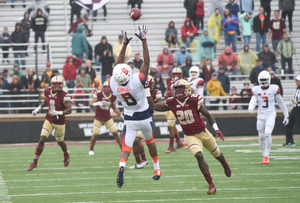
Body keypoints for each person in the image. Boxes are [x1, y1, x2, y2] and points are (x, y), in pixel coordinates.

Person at [150, 79, 231, 194]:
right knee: (198, 155)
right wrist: (147, 92)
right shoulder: (172, 102)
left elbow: (208, 114)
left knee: (218, 155)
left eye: (180, 88)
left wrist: (216, 129)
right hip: (190, 135)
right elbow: (153, 106)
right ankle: (211, 185)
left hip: (203, 132)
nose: (177, 91)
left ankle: (224, 164)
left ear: (187, 89)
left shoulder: (194, 99)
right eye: (176, 89)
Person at [110, 25, 161, 188]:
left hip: (129, 119)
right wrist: (144, 40)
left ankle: (122, 166)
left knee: (126, 146)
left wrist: (124, 44)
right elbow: (147, 61)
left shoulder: (113, 84)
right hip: (145, 117)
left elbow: (118, 67)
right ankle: (156, 169)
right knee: (150, 141)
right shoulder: (137, 80)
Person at [27, 76, 71, 171]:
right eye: (54, 84)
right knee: (42, 139)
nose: (56, 86)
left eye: (58, 84)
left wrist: (59, 112)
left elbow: (69, 109)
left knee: (60, 142)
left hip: (59, 122)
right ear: (51, 84)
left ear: (61, 84)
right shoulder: (47, 91)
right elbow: (46, 101)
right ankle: (34, 162)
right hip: (49, 119)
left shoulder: (64, 95)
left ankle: (66, 153)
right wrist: (38, 109)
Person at [248, 71, 288, 164]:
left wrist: (286, 114)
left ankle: (267, 156)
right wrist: (250, 107)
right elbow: (253, 99)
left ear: (269, 80)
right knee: (261, 136)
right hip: (260, 115)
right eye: (262, 80)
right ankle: (263, 156)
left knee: (267, 133)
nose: (263, 82)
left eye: (265, 80)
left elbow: (280, 102)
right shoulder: (256, 89)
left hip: (270, 114)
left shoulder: (274, 88)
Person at [129, 76, 161, 169]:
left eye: (151, 83)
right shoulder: (138, 92)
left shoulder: (156, 92)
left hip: (147, 119)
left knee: (139, 140)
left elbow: (158, 104)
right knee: (134, 141)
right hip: (137, 118)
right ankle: (139, 162)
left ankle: (146, 160)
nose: (150, 85)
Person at [89, 81, 123, 154]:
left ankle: (122, 148)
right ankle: (91, 149)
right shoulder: (98, 94)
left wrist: (121, 115)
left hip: (107, 117)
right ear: (103, 87)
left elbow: (114, 108)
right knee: (95, 134)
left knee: (115, 132)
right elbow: (90, 104)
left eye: (109, 87)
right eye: (106, 87)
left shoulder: (113, 96)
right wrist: (96, 103)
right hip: (98, 117)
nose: (107, 88)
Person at [163, 67, 185, 153]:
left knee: (169, 125)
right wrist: (166, 94)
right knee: (171, 125)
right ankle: (179, 142)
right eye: (174, 74)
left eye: (177, 74)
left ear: (180, 75)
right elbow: (167, 90)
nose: (176, 76)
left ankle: (171, 145)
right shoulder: (168, 80)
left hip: (177, 104)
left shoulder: (184, 81)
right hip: (169, 103)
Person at [284, 75, 300, 146]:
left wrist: (298, 103)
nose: (296, 82)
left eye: (297, 81)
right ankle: (289, 141)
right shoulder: (297, 89)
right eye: (296, 80)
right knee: (288, 124)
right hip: (295, 109)